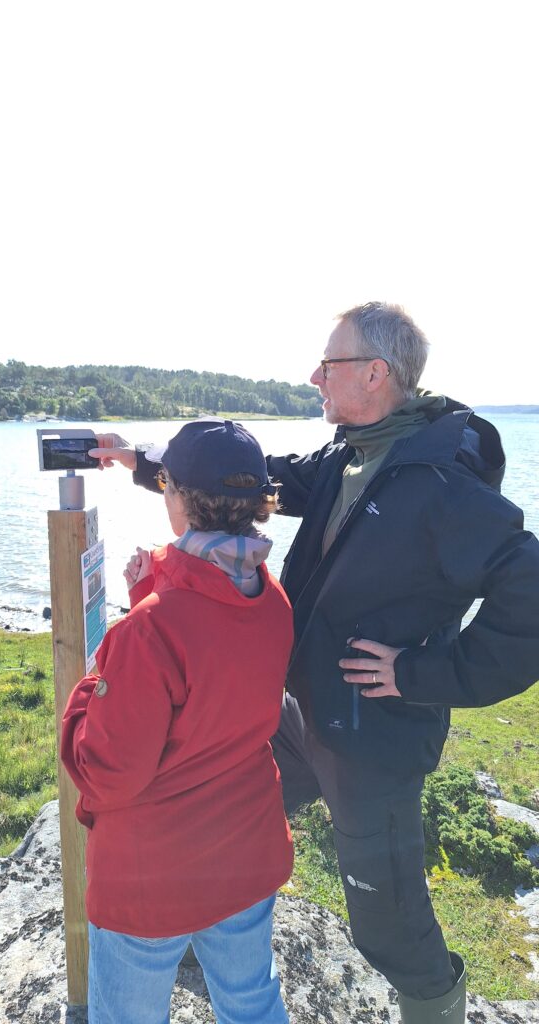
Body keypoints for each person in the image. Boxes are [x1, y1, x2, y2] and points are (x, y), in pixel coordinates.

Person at [91, 302, 539, 1024]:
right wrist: (147, 465)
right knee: (222, 809)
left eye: (327, 364)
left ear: (374, 372)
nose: (313, 377)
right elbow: (248, 481)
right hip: (301, 713)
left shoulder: (443, 484)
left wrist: (423, 674)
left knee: (386, 925)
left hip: (373, 738)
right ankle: (184, 931)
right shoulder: (350, 454)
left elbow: (530, 588)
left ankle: (439, 1008)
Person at [61, 418, 294, 1024]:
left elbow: (108, 772)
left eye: (165, 483)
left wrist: (89, 688)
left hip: (152, 877)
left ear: (180, 498)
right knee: (250, 1001)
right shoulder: (272, 600)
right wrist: (149, 603)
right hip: (245, 853)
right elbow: (208, 674)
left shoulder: (151, 629)